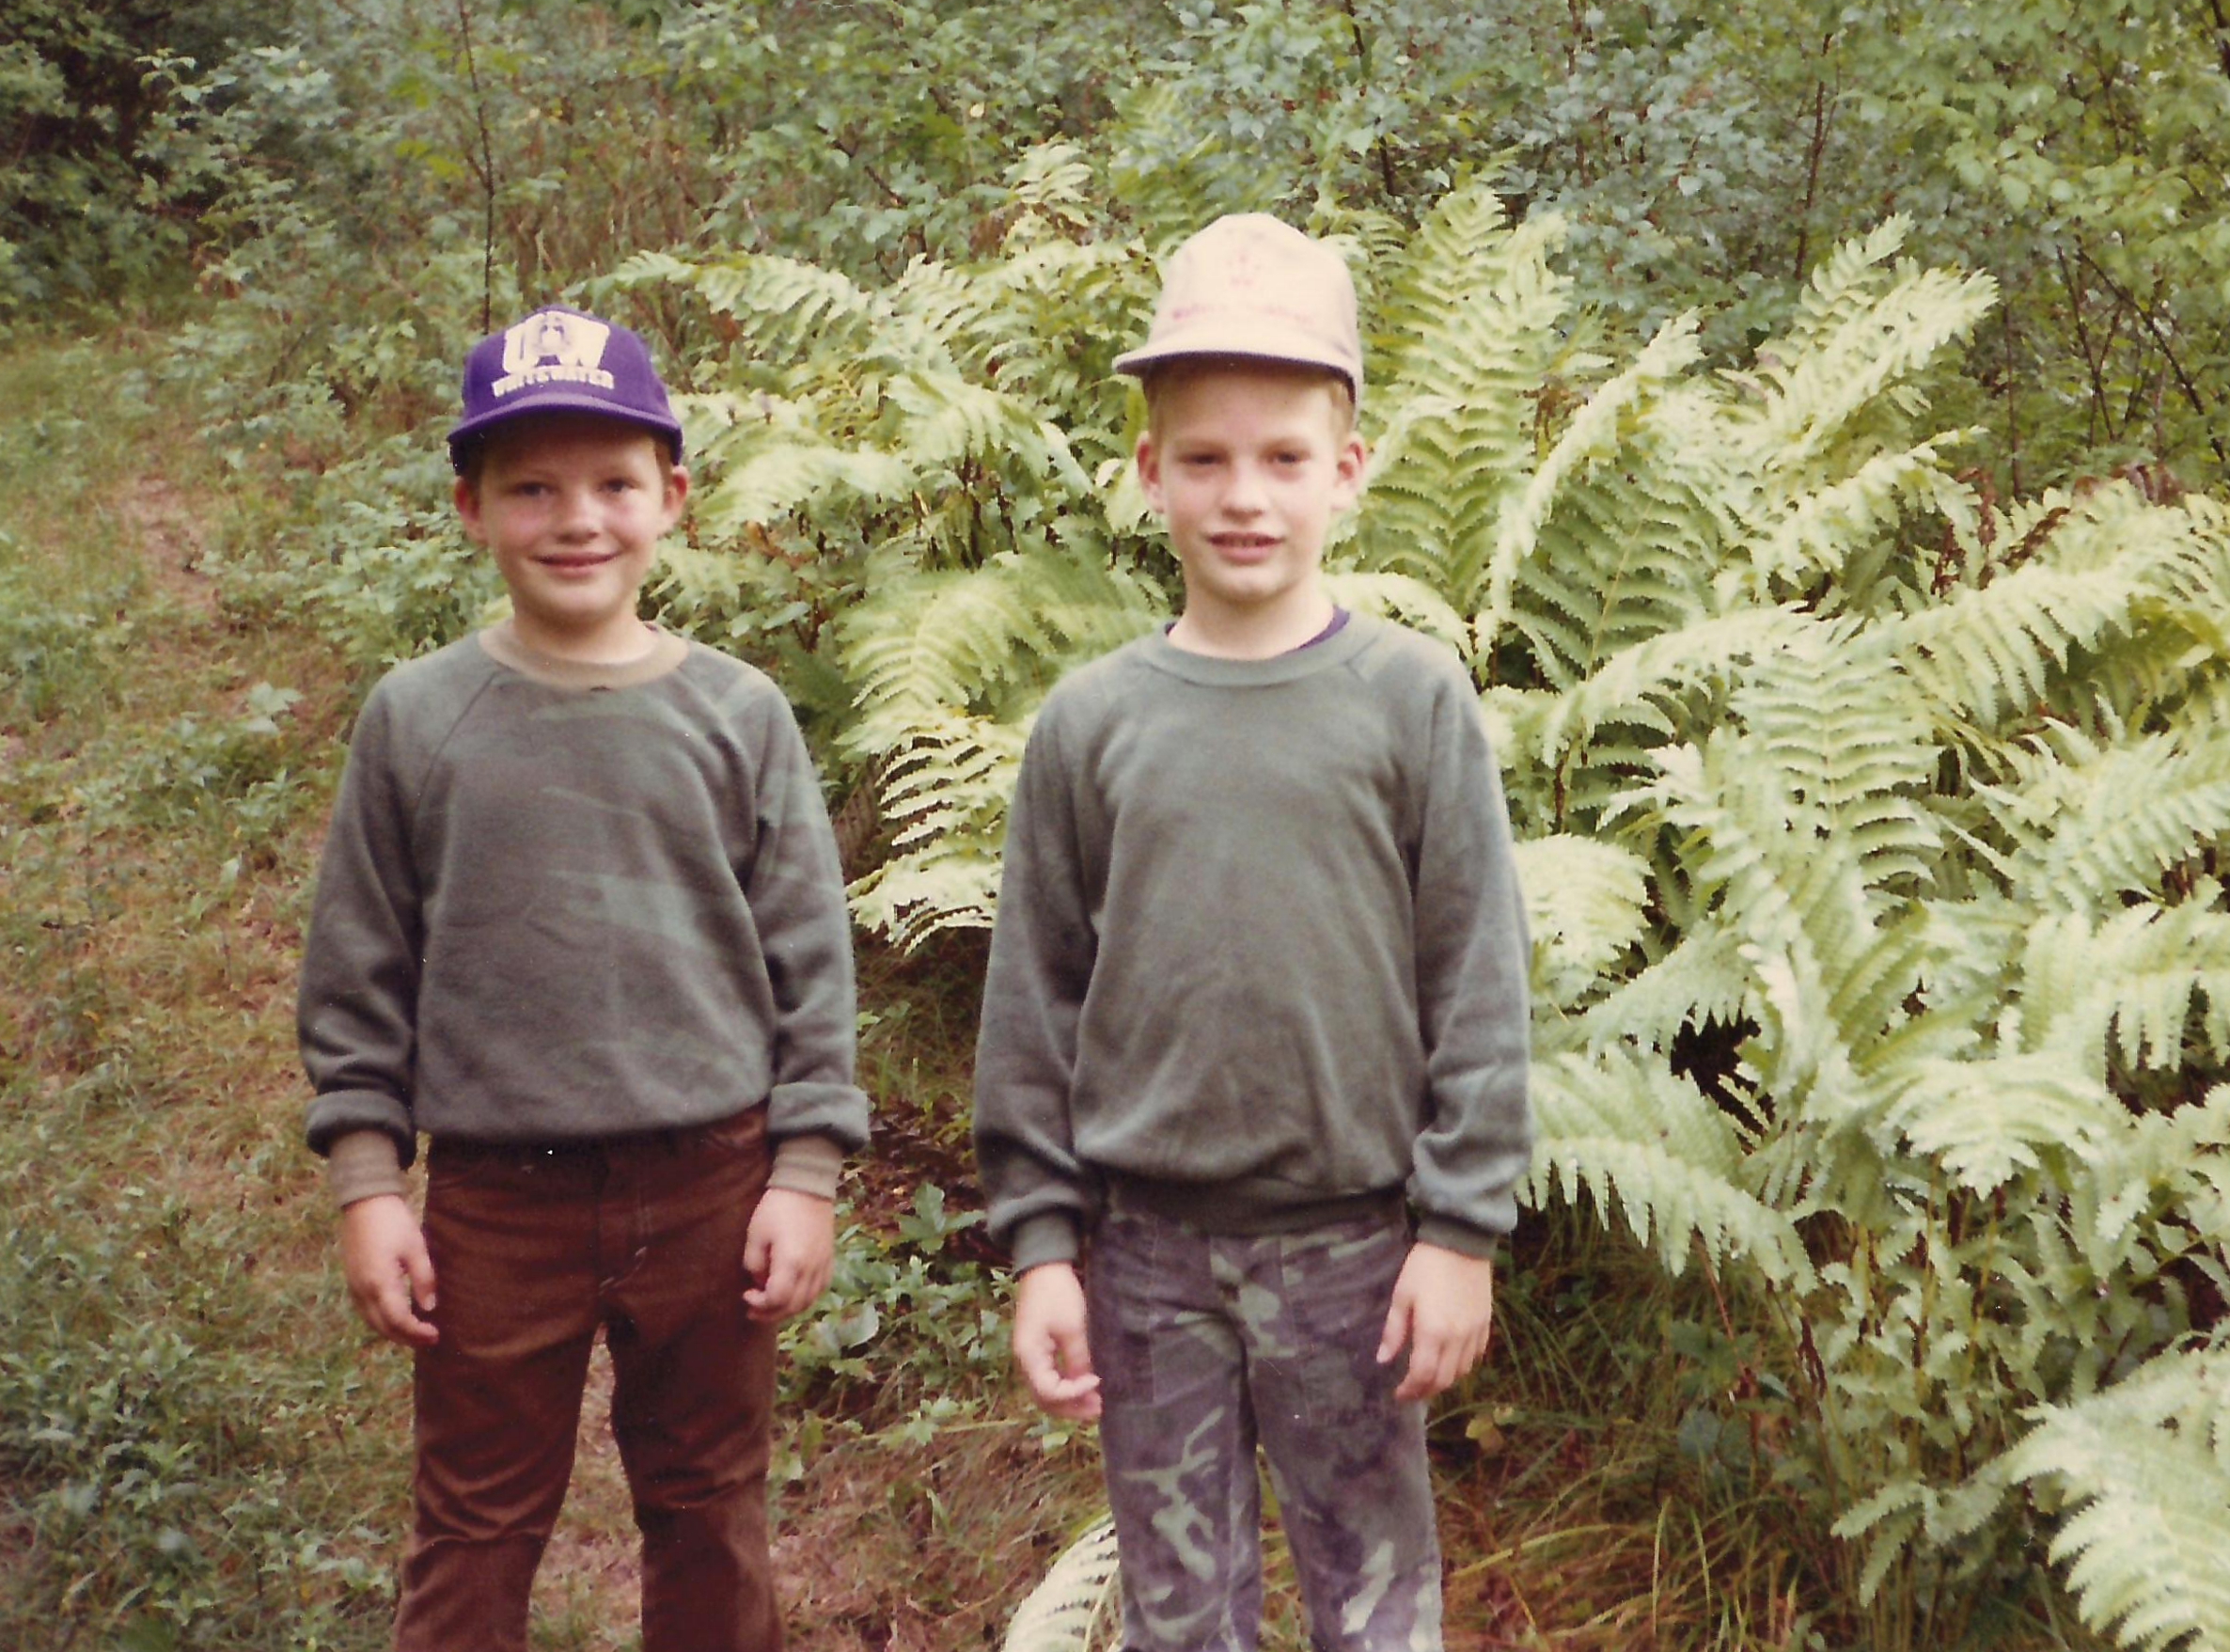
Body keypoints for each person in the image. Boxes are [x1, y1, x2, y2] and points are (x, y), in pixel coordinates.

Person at [974, 213, 1532, 1652]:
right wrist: (1043, 1244)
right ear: (1146, 468)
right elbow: (1033, 999)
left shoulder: (1411, 701)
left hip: (1355, 1250)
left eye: (1282, 456)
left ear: (1347, 470)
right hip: (1143, 1255)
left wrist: (1459, 1228)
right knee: (1178, 1613)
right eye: (1204, 457)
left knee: (1372, 1604)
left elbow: (1476, 977)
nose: (1244, 496)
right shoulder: (1092, 723)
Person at [296, 307, 867, 1652]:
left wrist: (806, 1170)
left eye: (613, 482)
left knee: (708, 1498)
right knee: (478, 1517)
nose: (576, 519)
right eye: (531, 486)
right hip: (499, 1200)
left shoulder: (737, 714)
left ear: (672, 495)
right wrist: (370, 1183)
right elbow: (356, 976)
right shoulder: (420, 720)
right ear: (470, 508)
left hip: (712, 1182)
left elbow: (809, 966)